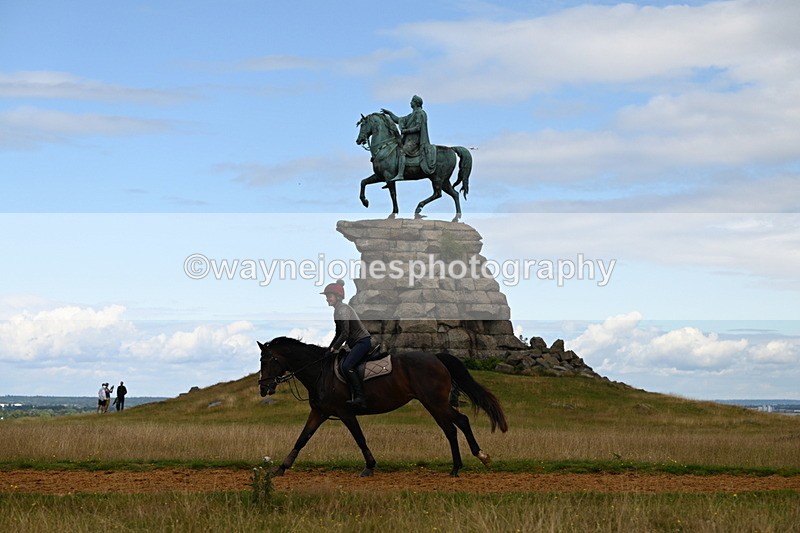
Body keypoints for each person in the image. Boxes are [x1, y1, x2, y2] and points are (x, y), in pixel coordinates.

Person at [322, 279, 372, 409]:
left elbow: (345, 333)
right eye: (327, 296)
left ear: (338, 296)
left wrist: (335, 347)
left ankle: (360, 397)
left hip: (362, 342)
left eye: (329, 296)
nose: (327, 299)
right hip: (356, 344)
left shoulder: (343, 310)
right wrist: (328, 349)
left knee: (346, 366)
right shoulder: (337, 310)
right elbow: (338, 333)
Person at [381, 94, 436, 186]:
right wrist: (390, 113)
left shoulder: (420, 113)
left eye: (412, 101)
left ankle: (400, 174)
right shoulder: (411, 115)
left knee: (402, 151)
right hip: (408, 140)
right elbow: (398, 120)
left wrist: (405, 131)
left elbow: (418, 127)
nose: (410, 102)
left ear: (416, 103)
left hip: (415, 141)